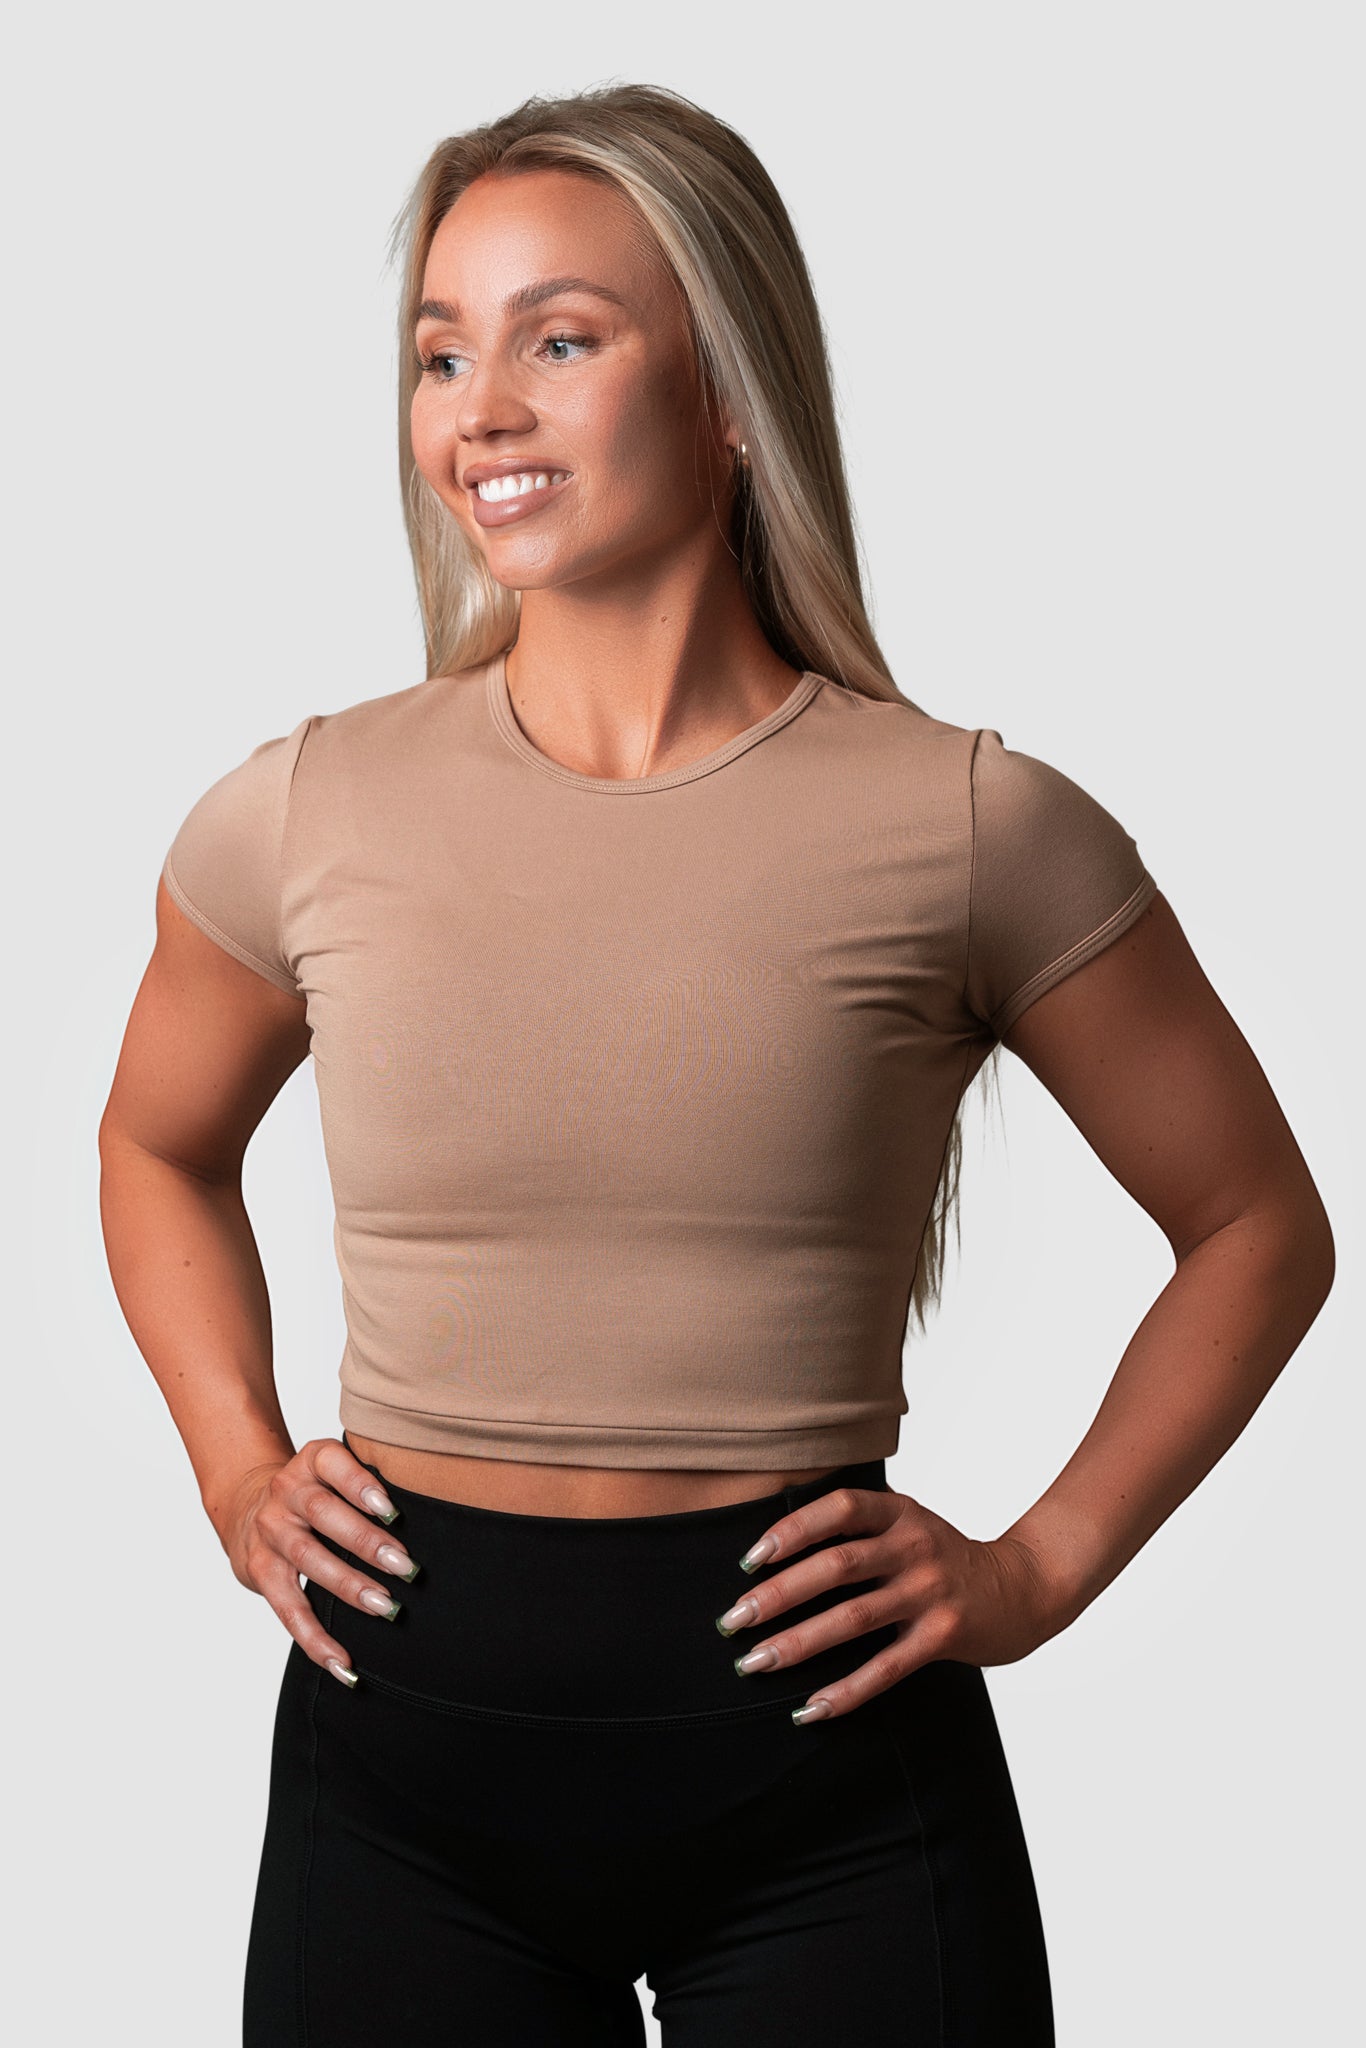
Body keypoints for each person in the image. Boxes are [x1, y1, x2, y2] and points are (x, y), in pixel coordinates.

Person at [98, 82, 1334, 2048]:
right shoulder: (303, 811)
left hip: (829, 1792)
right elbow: (156, 1144)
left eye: (558, 340)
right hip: (397, 1795)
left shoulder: (967, 827)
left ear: (730, 391)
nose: (478, 409)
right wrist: (236, 1465)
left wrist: (1038, 1569)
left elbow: (1256, 1224)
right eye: (440, 352)